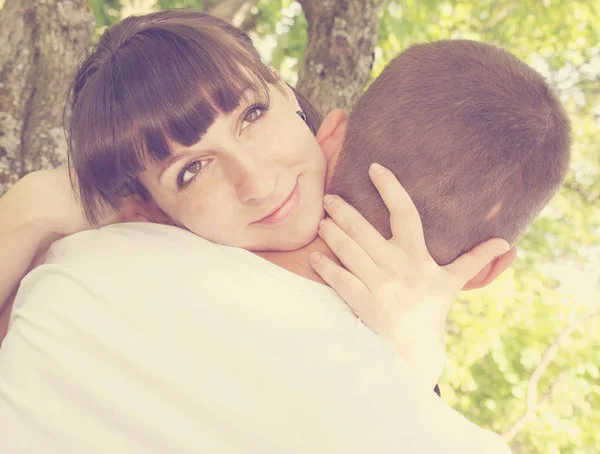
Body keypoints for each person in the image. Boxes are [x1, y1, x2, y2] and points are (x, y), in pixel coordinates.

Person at [0, 9, 570, 453]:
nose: (256, 181)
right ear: (147, 210)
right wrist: (30, 208)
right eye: (191, 170)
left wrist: (417, 367)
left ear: (289, 95)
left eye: (251, 115)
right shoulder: (83, 276)